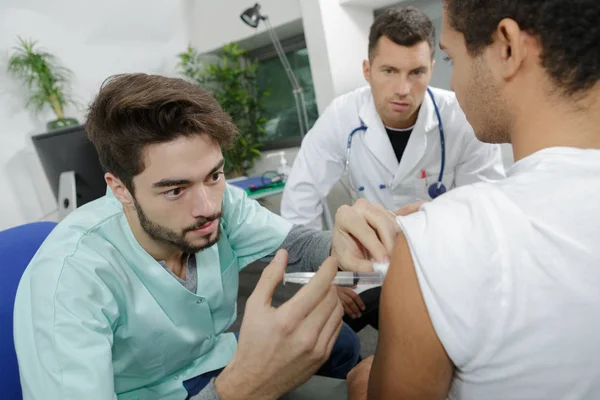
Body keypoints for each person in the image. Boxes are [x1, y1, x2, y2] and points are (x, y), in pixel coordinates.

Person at [12, 73, 400, 400]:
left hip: (209, 362)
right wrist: (239, 390)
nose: (207, 207)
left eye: (213, 175)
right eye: (175, 190)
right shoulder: (69, 281)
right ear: (120, 189)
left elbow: (296, 246)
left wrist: (343, 242)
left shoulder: (222, 200)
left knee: (343, 344)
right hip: (151, 391)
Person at [347, 0, 600, 399]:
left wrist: (363, 384)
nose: (453, 84)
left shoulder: (439, 244)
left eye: (451, 57)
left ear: (507, 48)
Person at [281, 5, 505, 334]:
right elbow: (301, 197)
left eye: (416, 72)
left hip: (439, 261)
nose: (403, 88)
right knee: (316, 332)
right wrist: (324, 280)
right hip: (366, 266)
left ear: (431, 68)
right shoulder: (342, 116)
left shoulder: (461, 116)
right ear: (367, 69)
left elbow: (487, 203)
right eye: (389, 71)